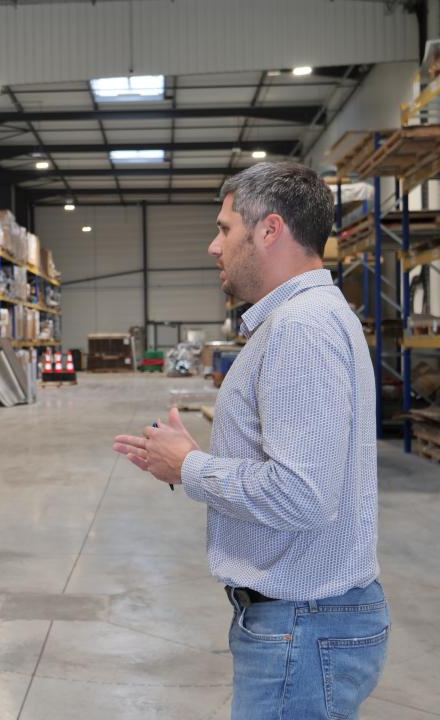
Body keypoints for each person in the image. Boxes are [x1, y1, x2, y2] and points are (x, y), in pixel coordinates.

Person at [114, 162, 389, 719]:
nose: (214, 246)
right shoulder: (308, 317)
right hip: (307, 619)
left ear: (269, 230)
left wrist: (190, 467)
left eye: (224, 228)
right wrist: (190, 460)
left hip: (302, 623)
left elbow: (303, 494)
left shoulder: (300, 328)